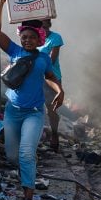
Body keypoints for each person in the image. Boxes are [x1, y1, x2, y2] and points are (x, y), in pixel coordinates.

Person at [0, 0, 64, 200]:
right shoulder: (14, 51)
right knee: (12, 155)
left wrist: (59, 90)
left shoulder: (43, 58)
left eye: (32, 37)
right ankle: (26, 176)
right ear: (20, 38)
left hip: (34, 112)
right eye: (24, 37)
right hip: (12, 111)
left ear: (39, 39)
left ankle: (28, 196)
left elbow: (50, 77)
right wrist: (1, 3)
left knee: (26, 152)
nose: (28, 40)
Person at [38, 19, 64, 153]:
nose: (43, 29)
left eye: (45, 26)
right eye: (40, 27)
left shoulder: (55, 38)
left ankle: (54, 134)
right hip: (36, 78)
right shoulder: (33, 37)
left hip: (51, 78)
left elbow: (51, 60)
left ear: (49, 25)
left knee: (51, 109)